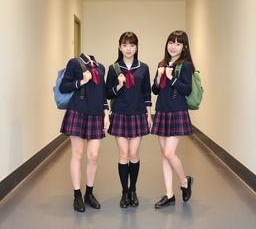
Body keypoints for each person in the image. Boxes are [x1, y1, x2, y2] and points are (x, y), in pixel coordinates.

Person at [106, 32, 152, 208]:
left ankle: (133, 190)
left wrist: (149, 115)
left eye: (132, 45)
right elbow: (108, 93)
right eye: (125, 45)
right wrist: (118, 85)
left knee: (134, 154)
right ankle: (124, 192)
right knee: (123, 154)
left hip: (138, 113)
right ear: (119, 46)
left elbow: (147, 93)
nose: (128, 48)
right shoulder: (113, 68)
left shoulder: (144, 68)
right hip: (119, 113)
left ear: (137, 47)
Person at [59, 53, 110, 212]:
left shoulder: (101, 67)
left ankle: (89, 193)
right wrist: (82, 81)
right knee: (77, 154)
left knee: (93, 155)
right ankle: (77, 195)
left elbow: (103, 94)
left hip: (96, 115)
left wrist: (106, 114)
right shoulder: (74, 63)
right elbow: (63, 86)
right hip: (78, 112)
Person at [151, 30, 194, 209]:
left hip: (177, 112)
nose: (173, 46)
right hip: (162, 110)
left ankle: (184, 181)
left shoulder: (185, 65)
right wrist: (160, 76)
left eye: (177, 43)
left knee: (169, 153)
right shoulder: (161, 63)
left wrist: (171, 78)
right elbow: (155, 90)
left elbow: (187, 89)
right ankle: (169, 194)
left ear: (184, 47)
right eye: (171, 42)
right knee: (164, 155)